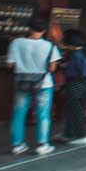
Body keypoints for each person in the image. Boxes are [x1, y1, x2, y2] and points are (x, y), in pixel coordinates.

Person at [7, 18, 61, 155]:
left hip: (22, 82)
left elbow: (10, 65)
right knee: (43, 114)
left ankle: (17, 145)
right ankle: (42, 144)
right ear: (44, 31)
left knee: (19, 113)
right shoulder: (50, 46)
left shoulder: (16, 43)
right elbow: (53, 68)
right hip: (43, 83)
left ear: (29, 29)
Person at [59, 29, 86, 145]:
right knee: (74, 110)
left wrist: (63, 66)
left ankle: (81, 135)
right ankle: (68, 133)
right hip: (85, 85)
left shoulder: (75, 55)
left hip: (75, 84)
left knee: (75, 111)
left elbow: (72, 72)